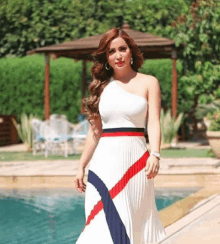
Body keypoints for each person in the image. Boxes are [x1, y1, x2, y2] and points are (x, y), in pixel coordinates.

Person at [74, 27, 166, 244]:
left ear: (131, 51)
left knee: (131, 223)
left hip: (136, 165)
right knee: (99, 226)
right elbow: (94, 132)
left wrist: (155, 153)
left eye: (122, 49)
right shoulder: (101, 87)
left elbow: (154, 122)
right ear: (106, 57)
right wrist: (81, 166)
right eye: (111, 51)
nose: (118, 55)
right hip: (103, 165)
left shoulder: (149, 82)